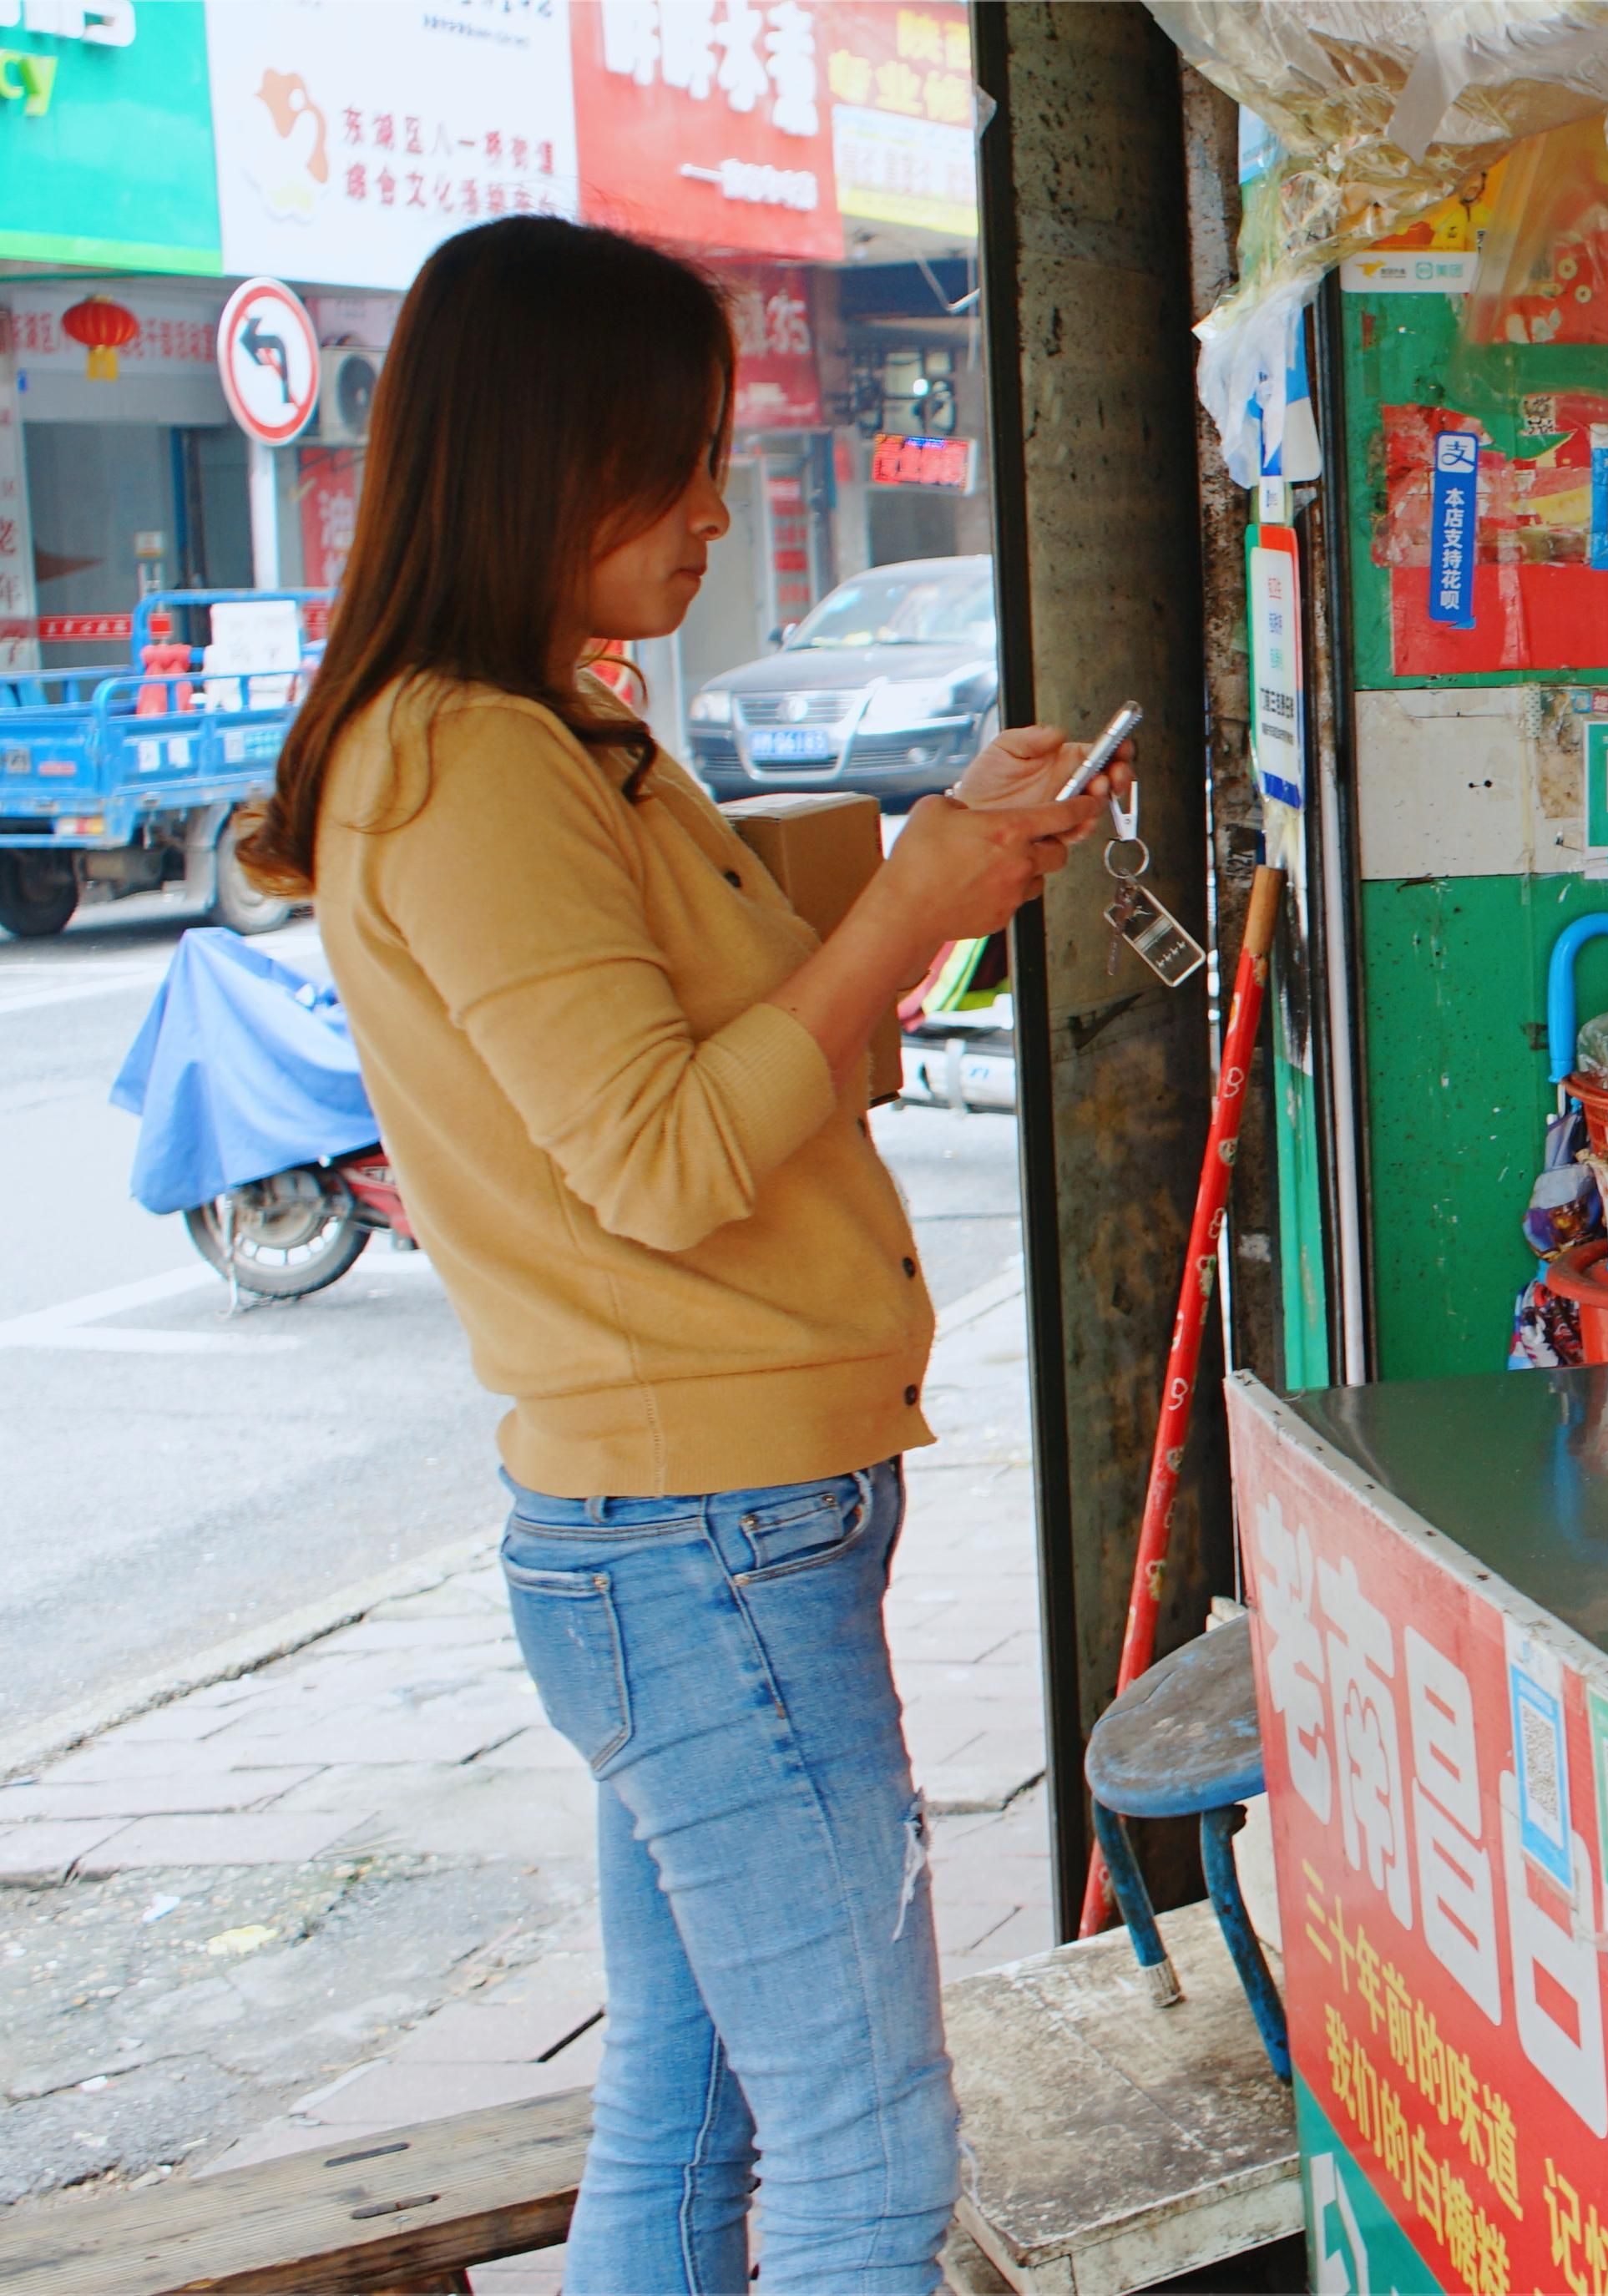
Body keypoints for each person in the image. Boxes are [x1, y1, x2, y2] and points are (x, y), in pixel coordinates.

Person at [240, 216, 1120, 2293]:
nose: (719, 505)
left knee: (697, 2105)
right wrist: (914, 906)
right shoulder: (465, 757)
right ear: (540, 457)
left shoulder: (539, 724)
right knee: (867, 2157)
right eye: (674, 455)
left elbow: (715, 977)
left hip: (697, 1521)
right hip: (701, 1528)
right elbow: (656, 1153)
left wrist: (938, 852)